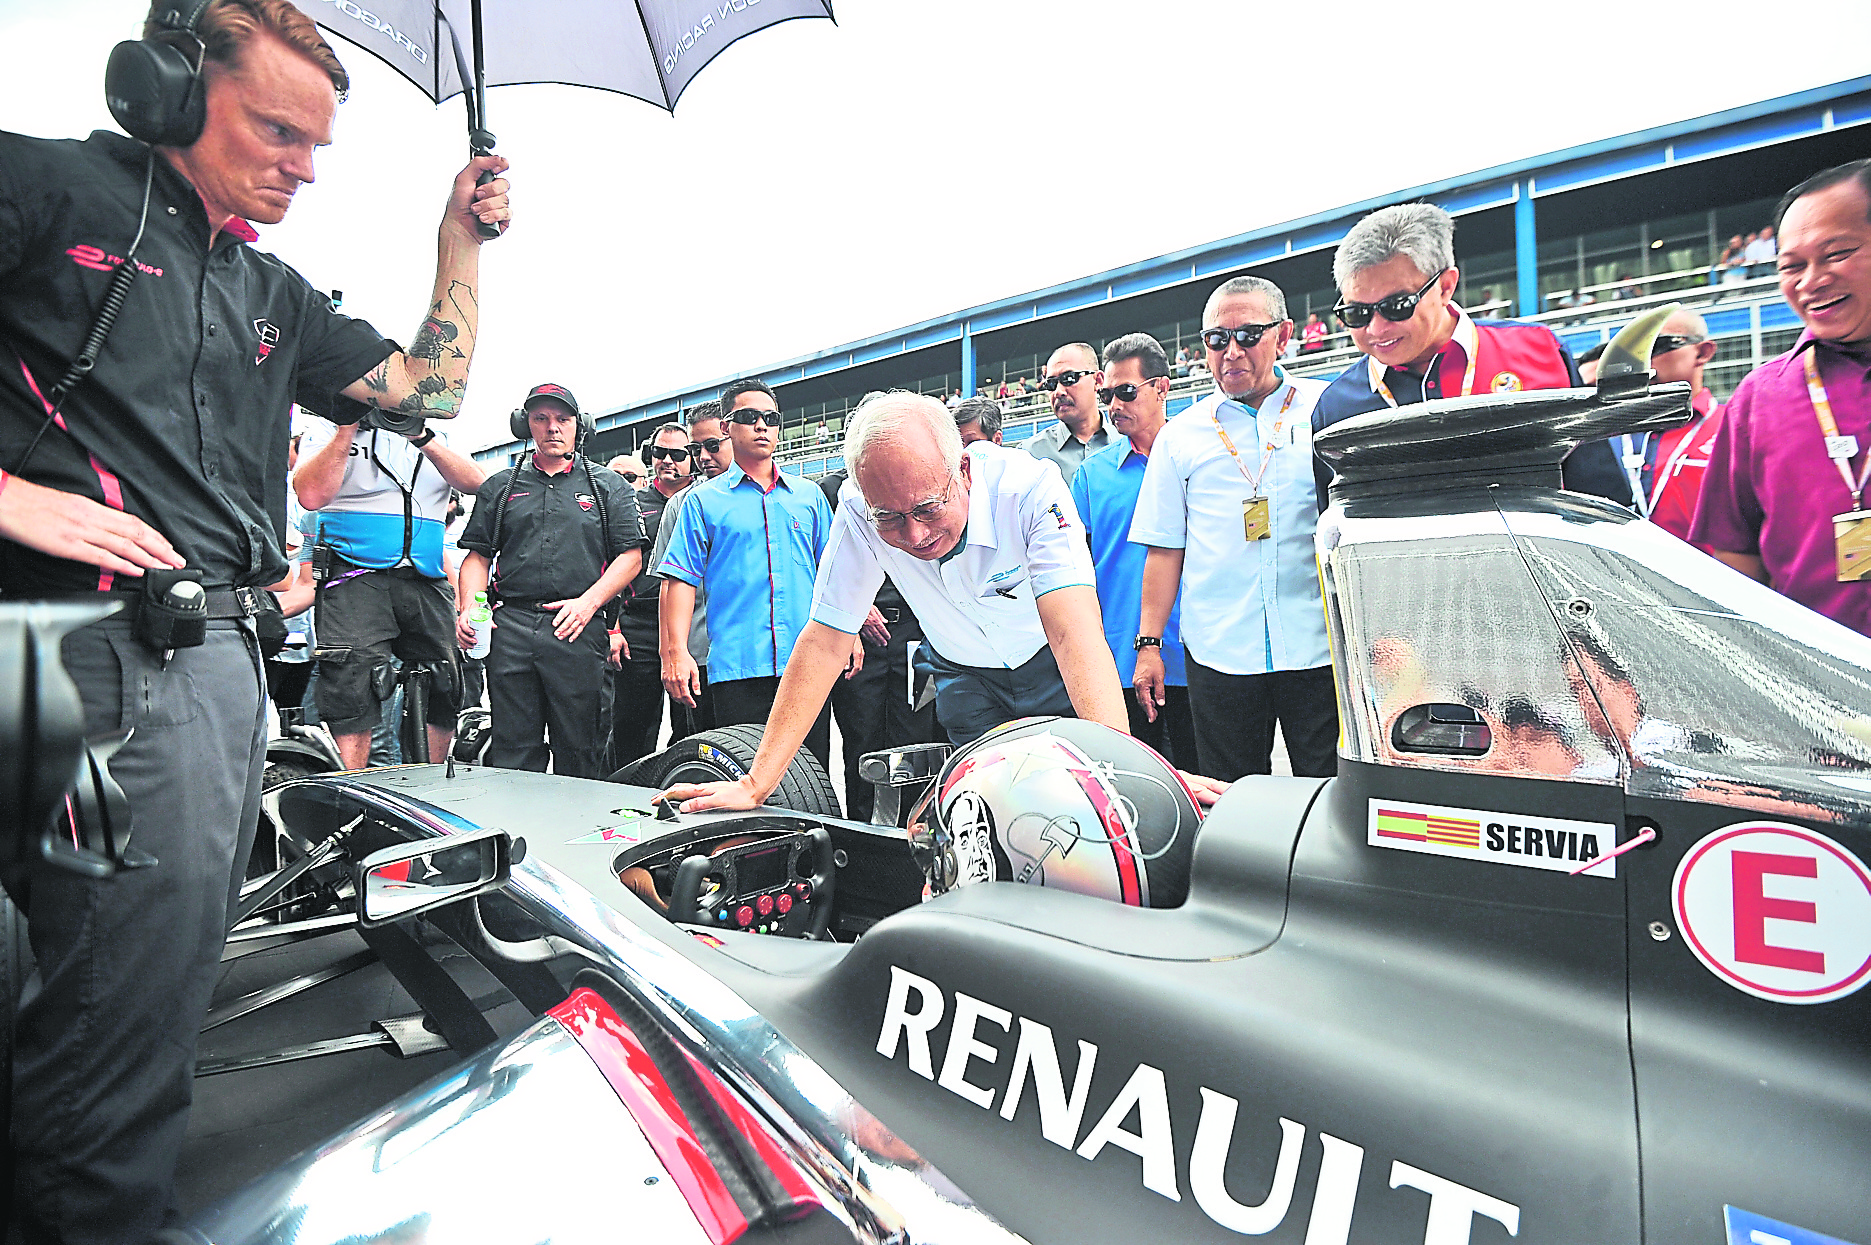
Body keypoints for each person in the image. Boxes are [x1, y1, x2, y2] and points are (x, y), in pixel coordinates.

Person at [0, 2, 511, 1238]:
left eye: (320, 143)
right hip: (98, 659)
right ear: (165, 91)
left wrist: (460, 239)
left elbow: (429, 388)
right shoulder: (45, 186)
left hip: (200, 665)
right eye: (278, 129)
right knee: (119, 1021)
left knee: (99, 986)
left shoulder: (273, 287)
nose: (304, 164)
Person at [660, 393, 1230, 816]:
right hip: (964, 675)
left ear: (963, 470)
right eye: (891, 518)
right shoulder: (861, 508)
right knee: (983, 818)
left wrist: (1124, 775)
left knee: (1085, 805)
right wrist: (757, 783)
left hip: (1053, 668)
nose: (912, 535)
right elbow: (825, 638)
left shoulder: (1030, 490)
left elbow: (1075, 635)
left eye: (928, 509)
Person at [1132, 277, 1337, 781]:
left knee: (1330, 788)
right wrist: (1149, 646)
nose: (1231, 352)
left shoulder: (1327, 409)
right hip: (1220, 649)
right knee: (1232, 796)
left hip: (1318, 641)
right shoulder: (1181, 435)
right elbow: (1165, 549)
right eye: (1216, 340)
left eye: (1248, 335)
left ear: (1284, 335)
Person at [1312, 203, 1632, 510]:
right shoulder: (1336, 405)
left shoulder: (1539, 350)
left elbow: (1601, 495)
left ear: (1445, 286)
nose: (1376, 328)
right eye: (1356, 313)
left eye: (1396, 307)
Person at [1693, 160, 1871, 637]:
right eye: (1792, 266)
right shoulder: (1760, 398)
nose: (1811, 281)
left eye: (1836, 254)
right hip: (1819, 691)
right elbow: (1735, 554)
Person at [457, 385, 643, 777]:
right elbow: (477, 557)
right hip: (512, 629)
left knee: (582, 750)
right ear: (526, 425)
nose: (552, 428)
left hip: (578, 627)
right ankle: (519, 834)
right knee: (513, 752)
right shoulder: (500, 486)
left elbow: (631, 557)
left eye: (562, 419)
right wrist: (471, 609)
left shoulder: (608, 485)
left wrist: (589, 603)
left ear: (580, 426)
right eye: (541, 419)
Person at [658, 378, 840, 770]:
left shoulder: (808, 497)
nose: (761, 426)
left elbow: (832, 575)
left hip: (806, 663)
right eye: (748, 417)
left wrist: (849, 633)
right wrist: (675, 653)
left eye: (770, 418)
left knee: (811, 777)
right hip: (738, 667)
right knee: (744, 776)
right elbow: (680, 579)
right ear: (726, 427)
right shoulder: (702, 502)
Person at [292, 409, 485, 767]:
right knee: (350, 683)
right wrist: (346, 428)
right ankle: (352, 789)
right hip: (353, 574)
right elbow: (311, 495)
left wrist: (420, 436)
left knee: (445, 679)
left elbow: (478, 483)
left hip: (426, 576)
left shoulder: (437, 432)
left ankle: (432, 781)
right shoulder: (326, 427)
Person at [1069, 333, 1198, 768]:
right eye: (1107, 394)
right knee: (1134, 793)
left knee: (1210, 788)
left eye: (1127, 392)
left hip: (1197, 655)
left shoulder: (1200, 460)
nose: (1113, 405)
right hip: (1120, 660)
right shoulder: (1091, 476)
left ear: (1162, 388)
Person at [816, 461, 940, 821]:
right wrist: (854, 614)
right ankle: (863, 834)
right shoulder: (833, 490)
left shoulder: (914, 482)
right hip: (861, 638)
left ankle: (912, 833)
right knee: (862, 739)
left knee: (914, 738)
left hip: (915, 634)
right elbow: (823, 560)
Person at [609, 422, 691, 771]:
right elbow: (609, 564)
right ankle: (619, 805)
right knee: (632, 730)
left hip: (692, 629)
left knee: (691, 730)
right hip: (638, 630)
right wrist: (612, 628)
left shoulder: (704, 501)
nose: (668, 461)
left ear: (693, 459)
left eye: (678, 454)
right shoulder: (630, 503)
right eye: (660, 453)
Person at [653, 402, 733, 740]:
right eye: (695, 449)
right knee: (697, 754)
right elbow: (668, 586)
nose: (703, 457)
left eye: (713, 446)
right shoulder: (682, 503)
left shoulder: (778, 497)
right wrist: (669, 655)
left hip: (757, 658)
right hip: (698, 657)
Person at [1621, 309, 1723, 543]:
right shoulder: (1613, 433)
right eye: (1635, 352)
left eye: (1657, 346)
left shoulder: (1733, 427)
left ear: (1703, 352)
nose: (1644, 360)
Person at [1021, 342, 1116, 483]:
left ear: (1098, 381)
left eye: (1069, 378)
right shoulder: (1029, 455)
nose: (1058, 392)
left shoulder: (1129, 443)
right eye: (1051, 384)